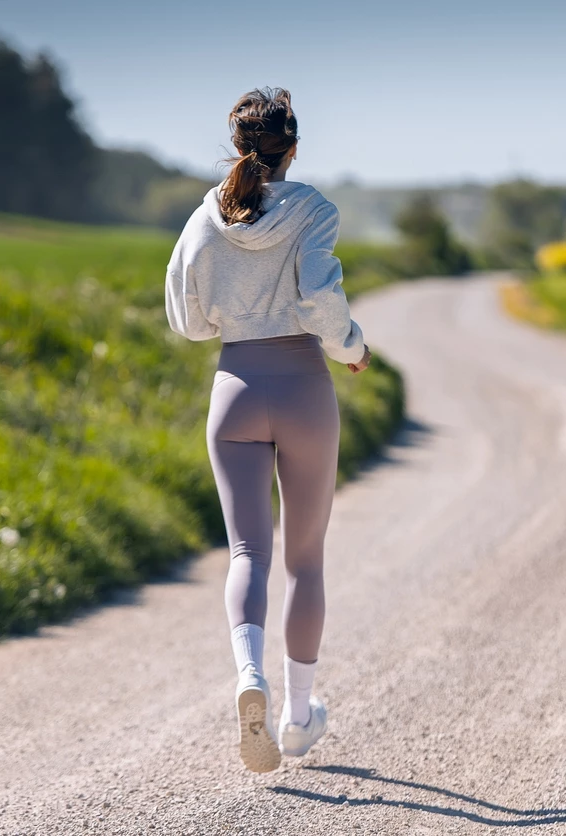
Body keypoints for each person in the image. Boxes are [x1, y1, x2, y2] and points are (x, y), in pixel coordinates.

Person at [165, 87, 371, 773]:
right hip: (302, 386)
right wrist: (351, 348)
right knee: (305, 559)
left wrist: (231, 320)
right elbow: (319, 296)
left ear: (238, 146)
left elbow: (188, 320)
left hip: (235, 392)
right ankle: (296, 715)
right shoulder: (313, 208)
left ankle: (248, 674)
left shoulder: (206, 217)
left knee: (246, 553)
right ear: (294, 147)